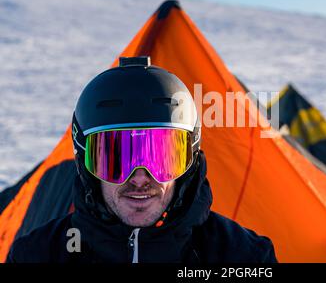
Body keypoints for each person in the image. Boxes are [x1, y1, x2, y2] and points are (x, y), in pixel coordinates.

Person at [7, 57, 277, 263]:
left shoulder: (243, 256)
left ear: (188, 164)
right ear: (86, 168)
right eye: (115, 158)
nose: (138, 178)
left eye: (161, 157)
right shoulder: (37, 255)